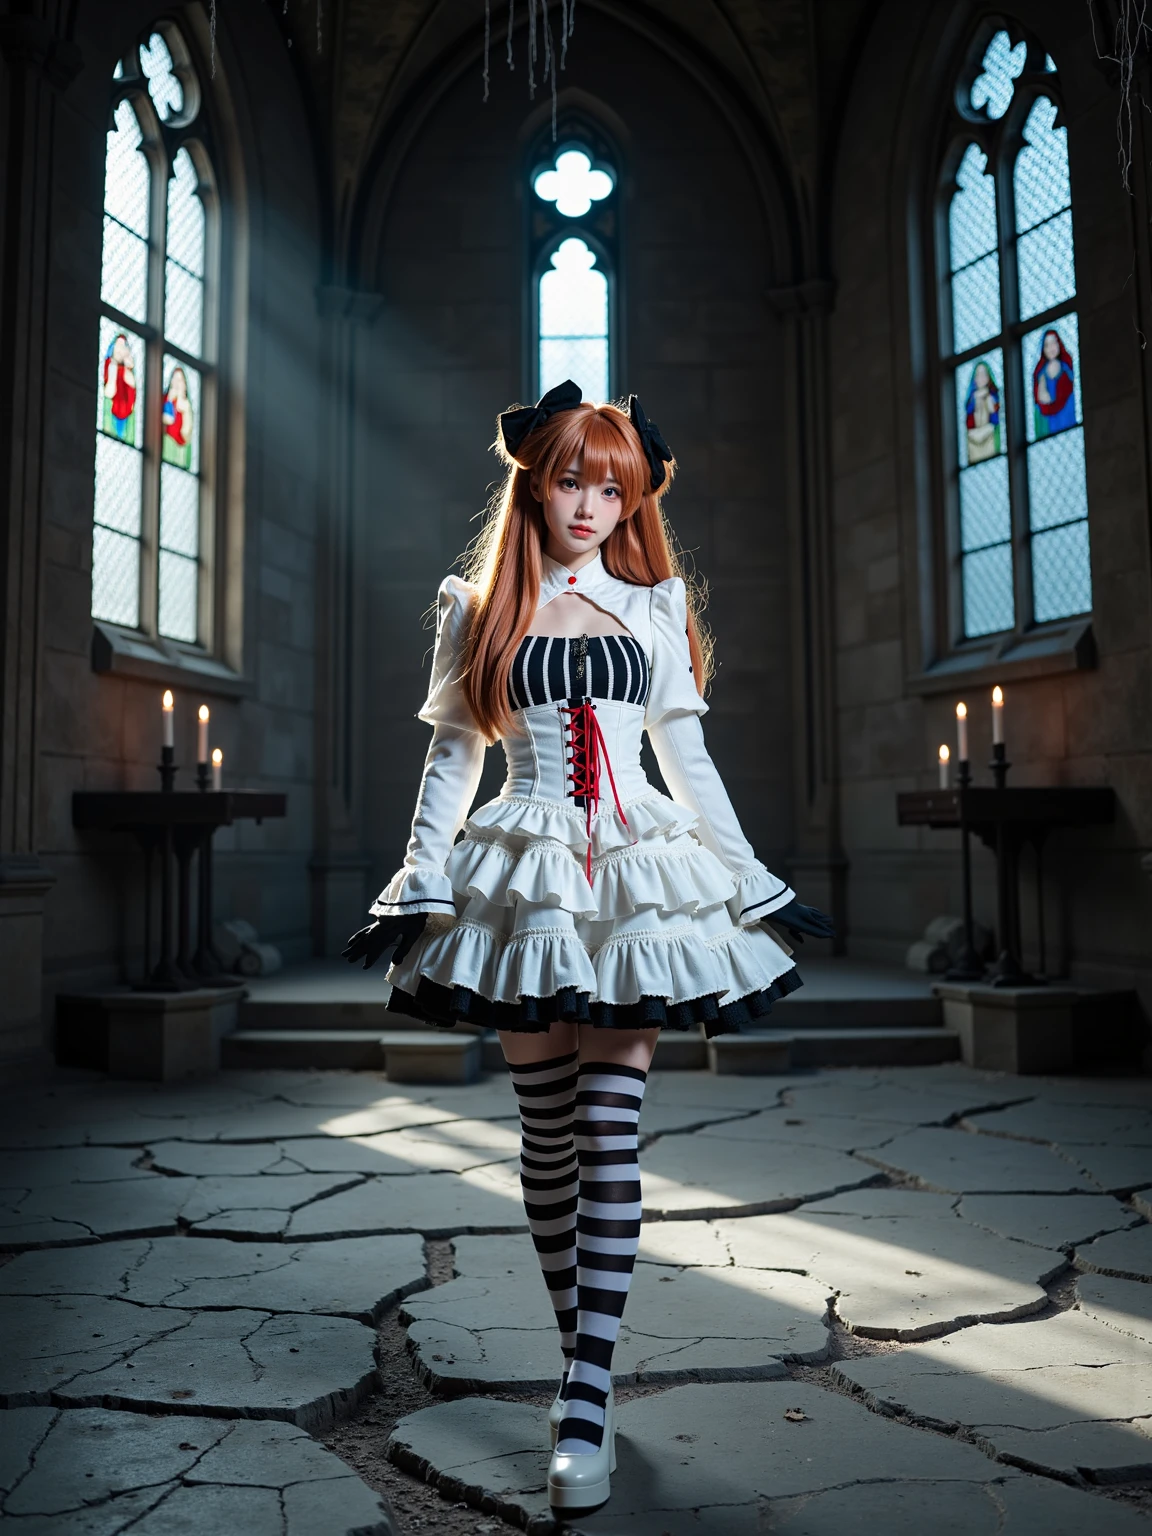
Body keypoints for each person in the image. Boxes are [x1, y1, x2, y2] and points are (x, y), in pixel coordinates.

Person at [343, 382, 833, 1517]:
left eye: (613, 490)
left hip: (630, 877)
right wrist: (419, 879)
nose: (589, 506)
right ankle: (582, 1364)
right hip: (524, 875)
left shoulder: (654, 607)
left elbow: (686, 760)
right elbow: (454, 760)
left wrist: (751, 876)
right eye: (570, 481)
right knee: (548, 1135)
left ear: (633, 502)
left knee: (610, 1126)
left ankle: (587, 1395)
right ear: (534, 485)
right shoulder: (478, 609)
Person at [1032, 328, 1077, 438]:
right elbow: (1041, 398)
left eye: (1053, 343)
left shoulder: (1066, 368)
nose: (1050, 348)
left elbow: (1067, 390)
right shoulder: (1041, 373)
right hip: (1049, 421)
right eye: (1047, 345)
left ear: (1059, 344)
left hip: (1066, 415)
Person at [965, 359, 1001, 463]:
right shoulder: (971, 398)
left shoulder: (992, 396)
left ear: (989, 377)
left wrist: (988, 398)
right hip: (973, 439)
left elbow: (995, 417)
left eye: (984, 374)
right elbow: (969, 417)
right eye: (978, 375)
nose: (981, 378)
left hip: (989, 436)